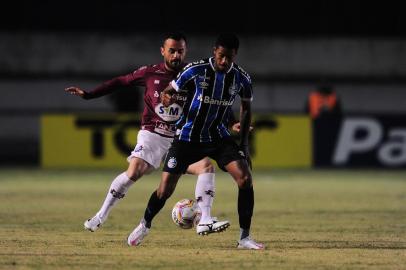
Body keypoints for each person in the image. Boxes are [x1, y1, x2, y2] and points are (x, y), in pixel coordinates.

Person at [65, 32, 230, 236]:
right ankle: (101, 215)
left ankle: (203, 219)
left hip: (181, 139)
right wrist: (90, 95)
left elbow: (216, 100)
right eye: (172, 51)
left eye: (180, 51)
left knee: (205, 167)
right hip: (153, 134)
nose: (176, 55)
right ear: (163, 51)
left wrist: (234, 122)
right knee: (134, 171)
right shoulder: (150, 73)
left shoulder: (194, 75)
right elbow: (121, 81)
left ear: (185, 51)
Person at [127, 33, 265, 250]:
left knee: (245, 178)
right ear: (214, 52)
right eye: (220, 56)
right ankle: (144, 224)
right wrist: (167, 98)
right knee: (165, 190)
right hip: (187, 137)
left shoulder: (242, 78)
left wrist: (244, 144)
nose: (224, 61)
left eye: (228, 57)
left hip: (218, 136)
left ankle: (244, 238)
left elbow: (246, 109)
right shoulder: (195, 70)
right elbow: (167, 92)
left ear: (234, 55)